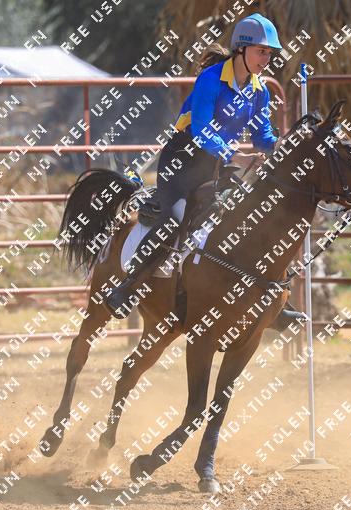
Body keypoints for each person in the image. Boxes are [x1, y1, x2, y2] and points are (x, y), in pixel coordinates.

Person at [104, 13, 306, 330]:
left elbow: (262, 136)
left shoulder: (261, 91)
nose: (266, 59)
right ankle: (129, 286)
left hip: (217, 166)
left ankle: (272, 302)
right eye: (261, 52)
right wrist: (232, 154)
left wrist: (283, 145)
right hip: (182, 161)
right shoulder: (211, 79)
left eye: (269, 53)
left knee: (252, 214)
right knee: (174, 219)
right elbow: (200, 130)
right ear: (242, 49)